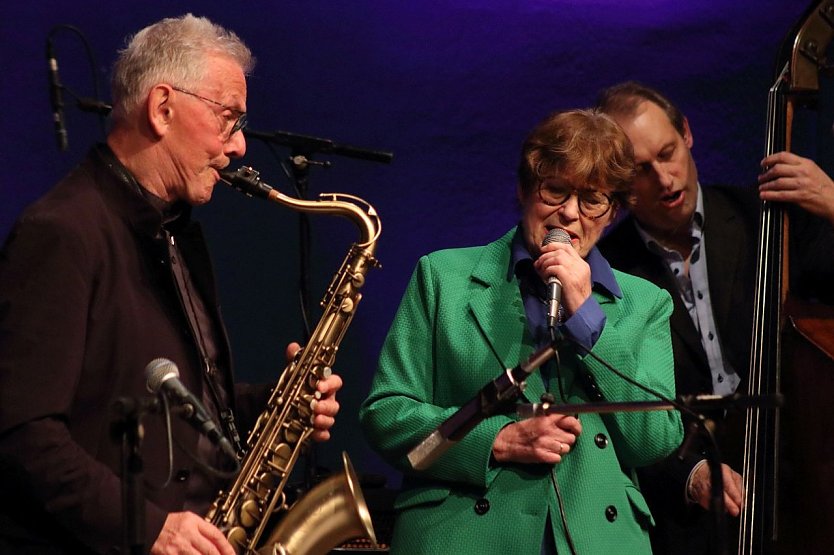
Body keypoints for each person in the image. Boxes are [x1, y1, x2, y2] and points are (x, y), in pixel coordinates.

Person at [0, 14, 342, 555]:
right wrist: (148, 525)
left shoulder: (176, 234)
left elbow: (168, 407)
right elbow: (21, 433)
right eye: (229, 118)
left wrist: (278, 402)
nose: (240, 147)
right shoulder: (63, 232)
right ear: (162, 108)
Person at [359, 109, 684, 554]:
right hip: (462, 534)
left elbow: (656, 441)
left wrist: (587, 315)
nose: (569, 214)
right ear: (524, 189)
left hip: (595, 539)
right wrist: (496, 440)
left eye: (592, 200)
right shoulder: (442, 277)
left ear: (612, 214)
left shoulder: (645, 303)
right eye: (555, 190)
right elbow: (386, 415)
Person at [595, 80, 834, 554]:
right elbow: (613, 406)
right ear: (618, 179)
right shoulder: (606, 268)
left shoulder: (771, 218)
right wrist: (688, 474)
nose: (665, 179)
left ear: (687, 133)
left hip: (807, 478)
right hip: (691, 515)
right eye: (642, 170)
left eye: (667, 153)